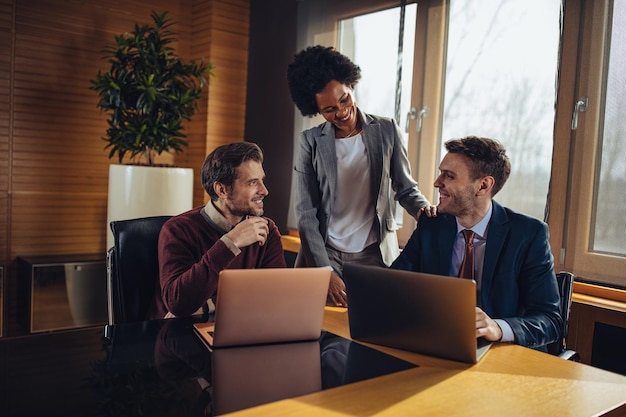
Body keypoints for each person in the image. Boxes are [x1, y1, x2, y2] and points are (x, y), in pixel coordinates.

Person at [287, 45, 436, 308]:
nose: (341, 112)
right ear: (315, 109)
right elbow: (306, 214)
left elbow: (405, 188)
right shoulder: (309, 142)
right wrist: (325, 271)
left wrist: (424, 210)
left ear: (351, 85)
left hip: (374, 254)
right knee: (323, 331)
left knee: (373, 328)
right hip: (325, 254)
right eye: (329, 109)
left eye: (344, 99)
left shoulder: (387, 130)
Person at [391, 136, 562, 350]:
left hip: (500, 356)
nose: (437, 182)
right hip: (436, 345)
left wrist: (498, 328)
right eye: (440, 172)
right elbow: (392, 284)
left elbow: (550, 321)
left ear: (483, 185)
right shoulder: (431, 224)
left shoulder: (528, 235)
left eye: (449, 176)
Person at [151, 142, 287, 319]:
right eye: (252, 183)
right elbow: (178, 303)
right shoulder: (177, 230)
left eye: (262, 181)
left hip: (241, 331)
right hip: (181, 335)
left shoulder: (266, 230)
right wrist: (230, 243)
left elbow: (276, 298)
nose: (264, 190)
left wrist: (208, 303)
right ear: (221, 190)